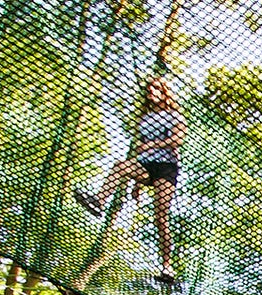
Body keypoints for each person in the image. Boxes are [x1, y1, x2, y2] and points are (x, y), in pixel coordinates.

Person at [75, 75, 185, 283]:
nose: (151, 92)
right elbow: (140, 148)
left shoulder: (174, 116)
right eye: (149, 89)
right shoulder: (144, 119)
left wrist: (153, 145)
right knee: (120, 166)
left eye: (156, 89)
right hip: (145, 165)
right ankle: (99, 201)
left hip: (166, 167)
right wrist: (136, 183)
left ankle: (167, 266)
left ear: (164, 93)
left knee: (160, 217)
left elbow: (178, 139)